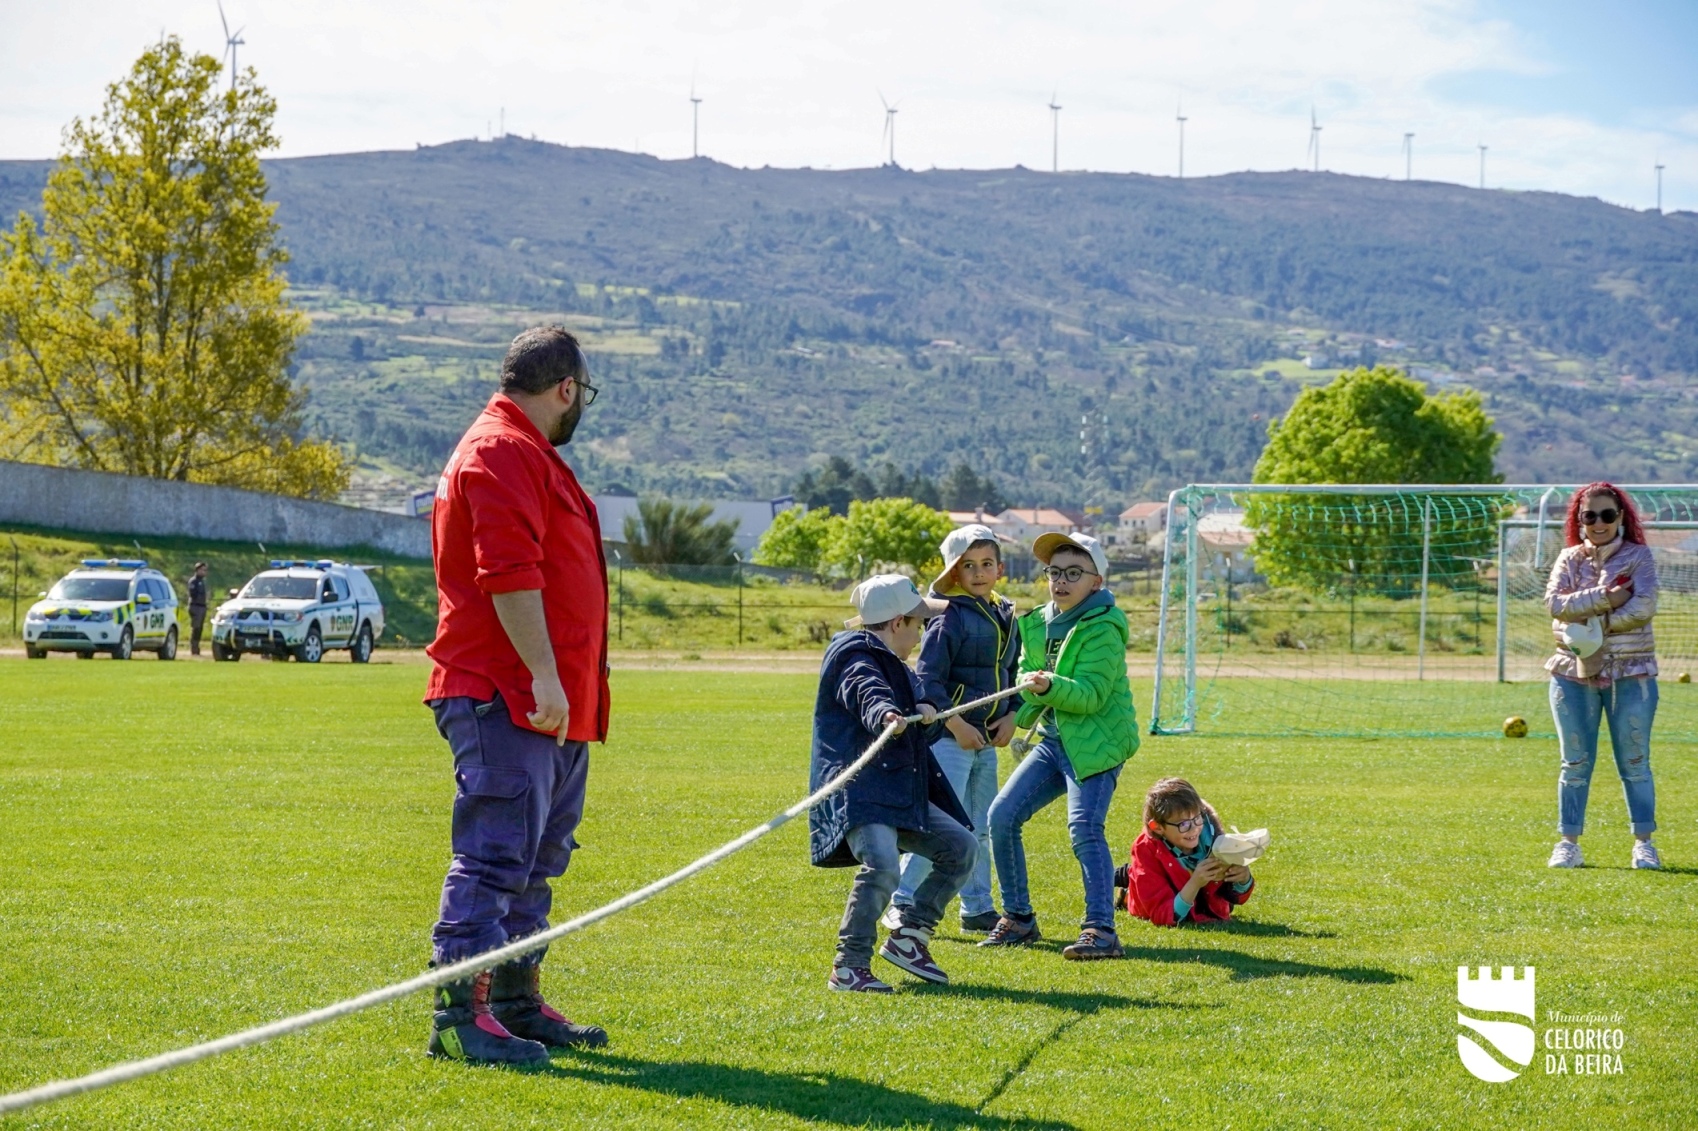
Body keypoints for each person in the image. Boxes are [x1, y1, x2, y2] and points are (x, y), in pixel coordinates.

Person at [423, 325, 611, 1064]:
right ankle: (459, 1017)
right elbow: (507, 573)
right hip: (509, 694)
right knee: (495, 856)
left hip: (547, 703)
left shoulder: (526, 451)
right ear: (566, 388)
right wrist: (543, 675)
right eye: (583, 393)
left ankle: (513, 1002)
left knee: (537, 862)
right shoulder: (501, 451)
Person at [810, 574, 978, 993]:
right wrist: (885, 714)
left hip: (897, 789)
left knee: (960, 848)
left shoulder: (898, 665)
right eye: (918, 623)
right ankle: (849, 967)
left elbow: (922, 708)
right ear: (898, 622)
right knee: (883, 865)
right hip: (862, 791)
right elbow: (864, 689)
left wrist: (928, 710)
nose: (921, 634)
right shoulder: (854, 655)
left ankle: (910, 936)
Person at [980, 532, 1139, 960]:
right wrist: (1020, 712)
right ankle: (1018, 919)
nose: (1060, 581)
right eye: (1054, 572)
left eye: (1073, 573)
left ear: (1096, 581)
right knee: (1001, 817)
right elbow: (1027, 676)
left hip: (1097, 745)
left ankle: (1101, 930)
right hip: (1054, 741)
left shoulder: (1104, 628)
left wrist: (1047, 685)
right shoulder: (1036, 622)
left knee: (1085, 829)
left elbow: (1090, 696)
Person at [881, 524, 1019, 935]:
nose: (979, 572)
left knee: (980, 827)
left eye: (987, 564)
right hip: (950, 741)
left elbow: (1012, 672)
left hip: (986, 740)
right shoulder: (947, 616)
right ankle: (901, 901)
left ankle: (977, 908)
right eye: (968, 565)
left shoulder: (1005, 613)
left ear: (1000, 569)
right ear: (953, 572)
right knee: (939, 829)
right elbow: (927, 679)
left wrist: (1011, 713)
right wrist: (956, 724)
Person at [1544, 482, 1662, 870]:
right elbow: (1554, 604)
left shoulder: (1639, 556)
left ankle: (1644, 844)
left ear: (1620, 517)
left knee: (1635, 761)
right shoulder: (1568, 558)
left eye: (1607, 515)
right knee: (1574, 762)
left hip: (1632, 672)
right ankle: (1568, 844)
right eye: (1589, 516)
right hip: (1571, 673)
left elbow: (1643, 606)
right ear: (1579, 520)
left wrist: (1589, 625)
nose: (1598, 523)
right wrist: (1607, 599)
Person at [1120, 777, 1255, 926]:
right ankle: (1126, 891)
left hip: (1198, 900)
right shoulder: (1146, 849)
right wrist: (1195, 883)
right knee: (1138, 877)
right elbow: (1161, 915)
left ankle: (1127, 874)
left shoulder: (1211, 835)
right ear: (1157, 827)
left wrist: (1244, 879)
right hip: (1155, 893)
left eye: (1197, 818)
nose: (1194, 829)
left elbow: (1234, 896)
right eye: (1183, 824)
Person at [186, 562, 209, 656]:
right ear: (197, 570)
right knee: (196, 628)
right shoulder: (193, 581)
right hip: (195, 606)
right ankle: (194, 648)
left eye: (205, 570)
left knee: (200, 629)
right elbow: (193, 594)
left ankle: (197, 647)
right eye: (202, 570)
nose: (204, 572)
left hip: (202, 606)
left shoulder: (202, 581)